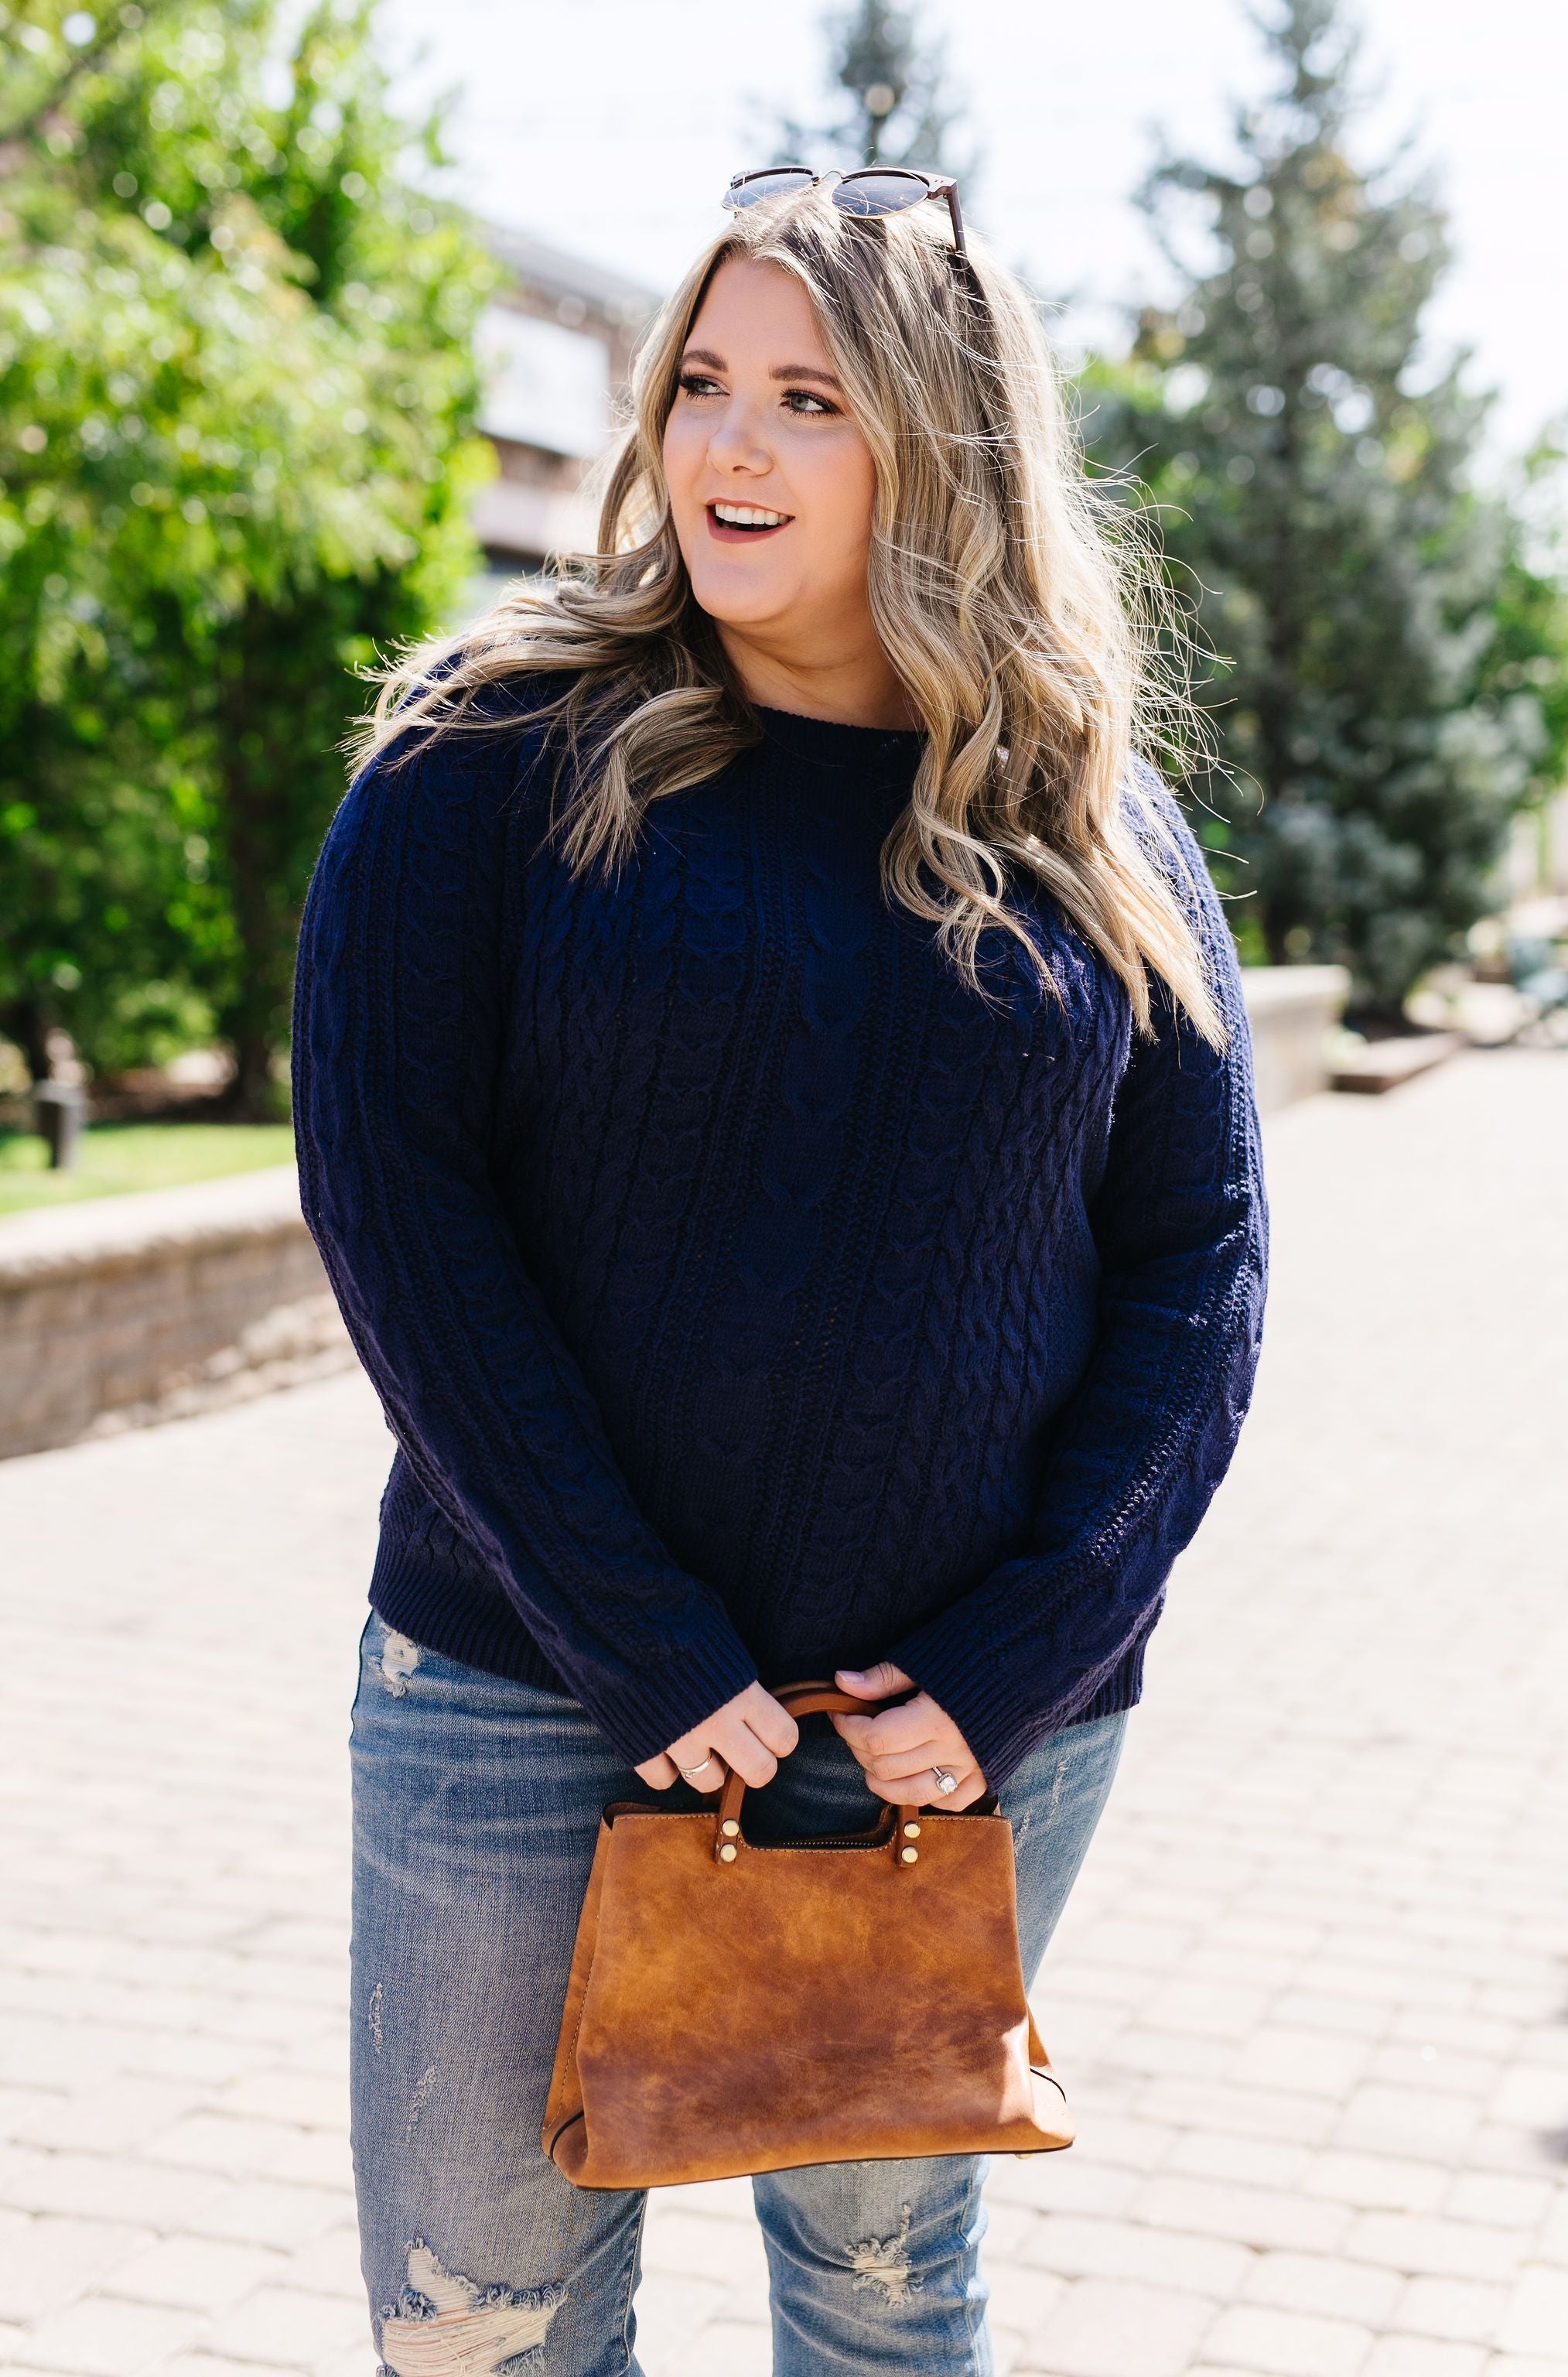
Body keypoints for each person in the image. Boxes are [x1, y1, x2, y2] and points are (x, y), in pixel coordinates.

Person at [294, 164, 1267, 2377]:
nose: (725, 450)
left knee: (883, 2296)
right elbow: (397, 1206)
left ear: (943, 448)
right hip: (524, 1693)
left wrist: (1009, 1663)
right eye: (702, 385)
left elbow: (1199, 1268)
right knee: (485, 2328)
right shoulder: (483, 757)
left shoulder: (1093, 825)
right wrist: (639, 1644)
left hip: (948, 1744)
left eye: (807, 399)